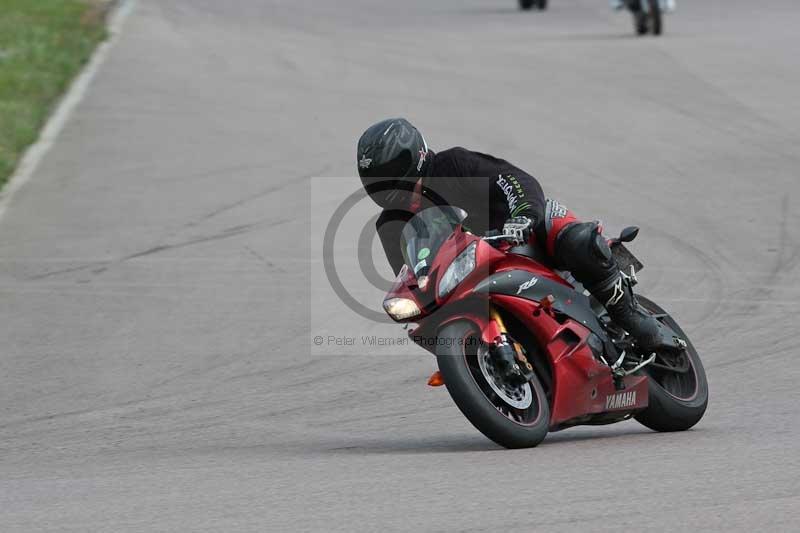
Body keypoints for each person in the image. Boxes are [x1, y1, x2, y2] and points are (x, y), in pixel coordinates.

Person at [356, 117, 673, 354]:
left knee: (576, 240)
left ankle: (632, 318)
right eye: (377, 180)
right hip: (473, 279)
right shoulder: (392, 225)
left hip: (523, 235)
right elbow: (412, 275)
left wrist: (522, 215)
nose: (388, 186)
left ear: (416, 158)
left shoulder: (452, 165)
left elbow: (512, 179)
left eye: (392, 172)